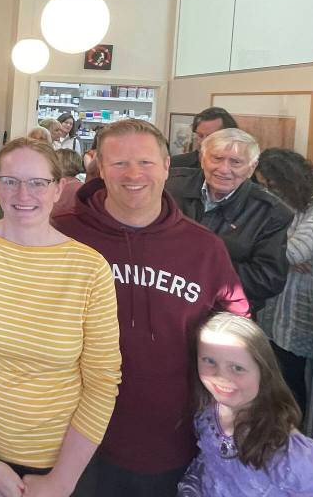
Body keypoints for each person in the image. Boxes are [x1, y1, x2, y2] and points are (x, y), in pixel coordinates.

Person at [52, 118, 249, 496]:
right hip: (65, 435)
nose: (133, 174)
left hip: (165, 439)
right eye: (119, 163)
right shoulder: (60, 233)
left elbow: (234, 329)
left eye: (145, 162)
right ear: (98, 167)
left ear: (167, 167)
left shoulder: (203, 248)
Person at [0, 138, 120, 497]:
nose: (23, 194)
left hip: (56, 460)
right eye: (11, 181)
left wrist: (62, 481)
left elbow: (102, 381)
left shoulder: (89, 268)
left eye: (37, 182)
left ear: (58, 188)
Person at [178, 312, 313, 497]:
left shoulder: (286, 449)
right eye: (209, 361)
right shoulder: (209, 412)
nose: (221, 376)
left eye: (237, 368)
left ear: (263, 371)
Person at [166, 128, 292, 314]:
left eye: (236, 162)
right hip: (163, 299)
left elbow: (268, 280)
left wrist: (200, 266)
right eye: (216, 158)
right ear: (202, 159)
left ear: (252, 168)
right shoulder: (169, 185)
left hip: (221, 315)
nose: (224, 169)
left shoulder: (271, 212)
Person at [254, 148, 313, 419]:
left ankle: (293, 449)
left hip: (299, 305)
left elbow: (299, 252)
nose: (267, 191)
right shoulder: (263, 200)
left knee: (291, 380)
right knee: (264, 381)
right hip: (269, 303)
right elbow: (242, 241)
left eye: (272, 185)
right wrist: (281, 252)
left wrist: (272, 251)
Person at [169, 107, 238, 169]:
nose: (203, 142)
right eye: (200, 135)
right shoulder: (175, 164)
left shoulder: (238, 169)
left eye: (210, 137)